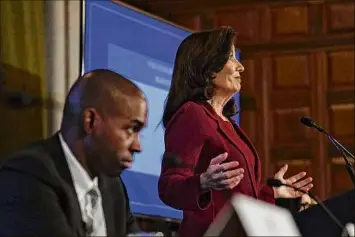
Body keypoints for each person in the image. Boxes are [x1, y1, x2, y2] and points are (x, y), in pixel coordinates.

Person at [158, 27, 314, 237]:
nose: (240, 66)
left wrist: (275, 192)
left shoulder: (230, 125)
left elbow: (238, 196)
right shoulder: (192, 114)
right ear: (208, 66)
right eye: (231, 57)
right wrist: (202, 182)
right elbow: (169, 186)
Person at [0, 69, 147, 236]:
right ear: (90, 121)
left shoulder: (113, 186)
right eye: (131, 129)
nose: (137, 146)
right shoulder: (27, 175)